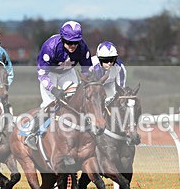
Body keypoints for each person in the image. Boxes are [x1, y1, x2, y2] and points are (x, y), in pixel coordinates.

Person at [24, 20, 92, 149]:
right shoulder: (50, 47)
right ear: (62, 39)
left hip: (67, 73)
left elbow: (86, 70)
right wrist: (53, 89)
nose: (72, 45)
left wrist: (86, 85)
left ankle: (86, 130)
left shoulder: (83, 47)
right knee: (50, 104)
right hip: (50, 74)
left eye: (75, 42)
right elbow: (42, 74)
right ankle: (32, 134)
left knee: (78, 99)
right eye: (69, 42)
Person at [91, 41, 127, 105]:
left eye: (112, 59)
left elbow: (121, 90)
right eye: (105, 60)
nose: (109, 63)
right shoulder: (91, 66)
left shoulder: (120, 67)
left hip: (110, 85)